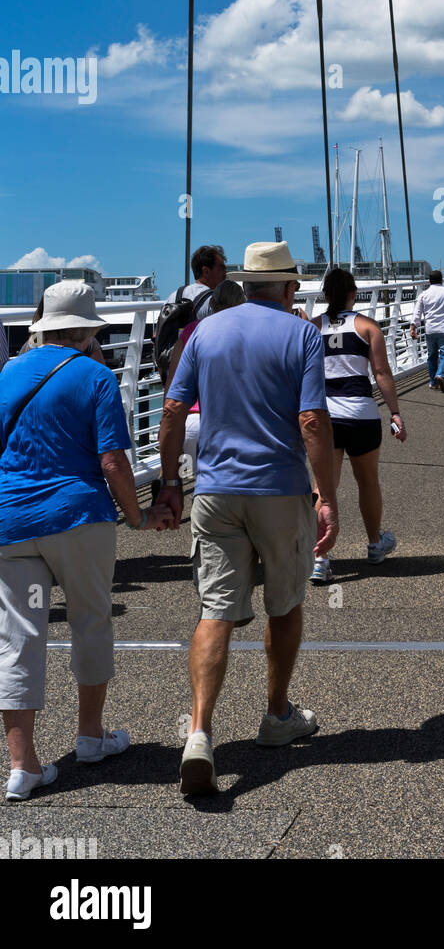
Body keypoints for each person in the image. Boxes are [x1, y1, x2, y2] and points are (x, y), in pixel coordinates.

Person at [158, 241, 338, 798]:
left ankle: (198, 734)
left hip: (215, 489)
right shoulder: (302, 334)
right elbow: (310, 419)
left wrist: (169, 485)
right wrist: (327, 494)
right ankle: (277, 715)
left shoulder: (205, 332)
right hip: (279, 490)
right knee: (284, 604)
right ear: (287, 288)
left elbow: (170, 409)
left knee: (215, 611)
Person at [0, 282, 172, 801]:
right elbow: (113, 462)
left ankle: (22, 765)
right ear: (90, 332)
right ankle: (91, 736)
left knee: (17, 637)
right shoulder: (96, 376)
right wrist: (139, 517)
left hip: (11, 521)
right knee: (90, 619)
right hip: (78, 517)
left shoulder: (8, 372)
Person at [309, 268, 405, 585]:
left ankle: (320, 558)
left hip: (325, 418)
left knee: (324, 488)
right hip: (362, 415)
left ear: (325, 296)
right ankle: (375, 544)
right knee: (367, 481)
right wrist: (395, 413)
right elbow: (381, 374)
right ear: (354, 294)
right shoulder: (367, 327)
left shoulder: (312, 329)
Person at [163, 280, 245, 485]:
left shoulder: (191, 331)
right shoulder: (247, 333)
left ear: (213, 304)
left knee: (203, 491)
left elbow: (173, 384)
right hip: (229, 426)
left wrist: (166, 428)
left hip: (190, 425)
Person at [410, 271, 444, 391]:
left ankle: (433, 382)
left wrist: (413, 328)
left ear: (429, 281)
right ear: (441, 280)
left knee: (432, 356)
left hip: (430, 330)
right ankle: (442, 375)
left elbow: (417, 313)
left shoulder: (424, 295)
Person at [163, 245, 227, 322]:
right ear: (206, 271)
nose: (225, 273)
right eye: (221, 268)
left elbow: (157, 332)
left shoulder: (173, 297)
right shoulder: (215, 302)